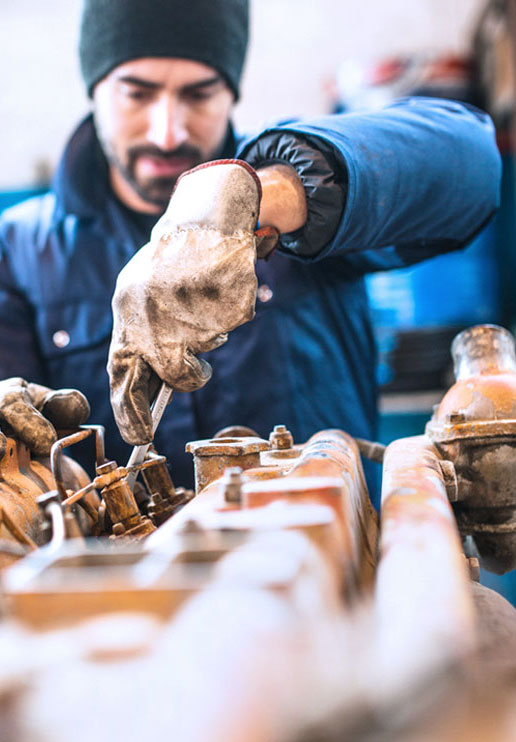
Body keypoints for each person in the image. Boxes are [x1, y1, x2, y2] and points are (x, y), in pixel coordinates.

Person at [0, 0, 501, 498]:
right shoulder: (19, 253)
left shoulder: (304, 200)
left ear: (230, 93)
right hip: (120, 576)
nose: (168, 131)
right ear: (95, 91)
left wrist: (267, 197)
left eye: (199, 95)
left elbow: (474, 165)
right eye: (137, 94)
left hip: (328, 567)